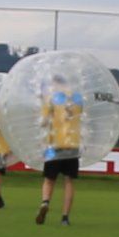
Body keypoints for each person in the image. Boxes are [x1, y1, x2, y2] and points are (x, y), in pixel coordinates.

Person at [33, 78, 85, 226]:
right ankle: (65, 217)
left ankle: (45, 202)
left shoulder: (51, 99)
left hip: (54, 145)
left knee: (49, 180)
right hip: (73, 145)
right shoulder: (78, 99)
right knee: (69, 180)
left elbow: (43, 122)